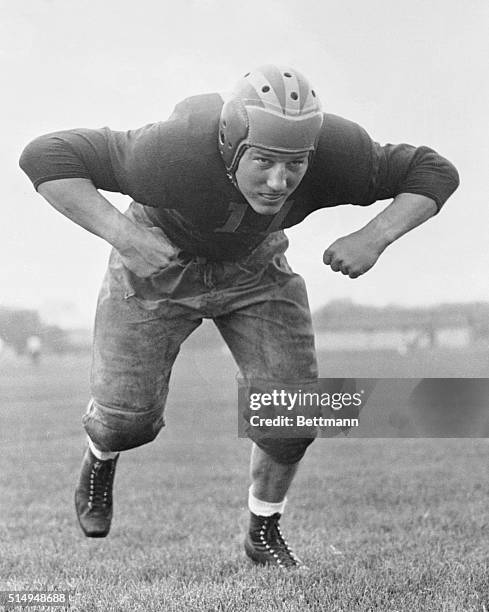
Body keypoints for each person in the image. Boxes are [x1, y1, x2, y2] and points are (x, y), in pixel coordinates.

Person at [19, 64, 459, 569]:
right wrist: (126, 237)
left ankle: (263, 529)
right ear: (230, 148)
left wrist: (374, 236)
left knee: (293, 416)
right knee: (126, 421)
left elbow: (434, 170)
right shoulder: (171, 150)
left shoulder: (341, 154)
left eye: (295, 164)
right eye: (265, 162)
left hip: (256, 265)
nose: (278, 182)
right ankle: (101, 459)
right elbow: (45, 156)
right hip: (159, 259)